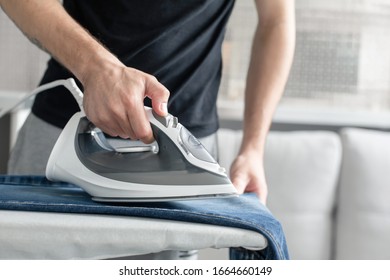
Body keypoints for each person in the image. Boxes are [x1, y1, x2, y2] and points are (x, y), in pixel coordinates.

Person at [1, 0, 295, 259]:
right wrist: (97, 68)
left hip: (187, 134)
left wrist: (253, 148)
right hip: (61, 130)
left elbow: (277, 20)